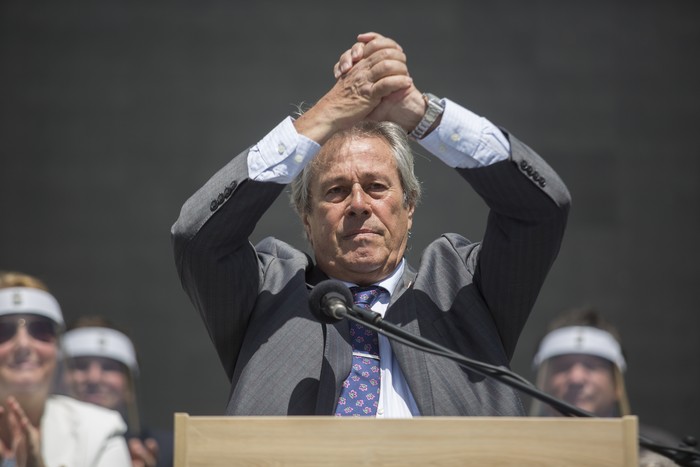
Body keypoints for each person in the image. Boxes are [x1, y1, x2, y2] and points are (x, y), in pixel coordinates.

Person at [171, 31, 570, 417]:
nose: (359, 204)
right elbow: (198, 236)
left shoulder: (462, 288)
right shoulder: (267, 291)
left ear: (409, 206)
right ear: (306, 220)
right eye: (336, 191)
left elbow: (540, 207)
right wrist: (326, 115)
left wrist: (421, 115)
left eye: (376, 187)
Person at [0, 271, 131, 466]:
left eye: (40, 330)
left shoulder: (98, 431)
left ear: (58, 348)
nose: (23, 343)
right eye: (3, 330)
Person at [531, 306, 681, 466]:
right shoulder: (515, 449)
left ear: (617, 385)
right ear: (542, 382)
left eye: (592, 366)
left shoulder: (662, 454)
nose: (576, 378)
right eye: (563, 367)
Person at [61, 316, 173, 467]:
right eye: (80, 365)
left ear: (130, 386)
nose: (94, 378)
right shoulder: (34, 442)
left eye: (108, 367)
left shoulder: (168, 452)